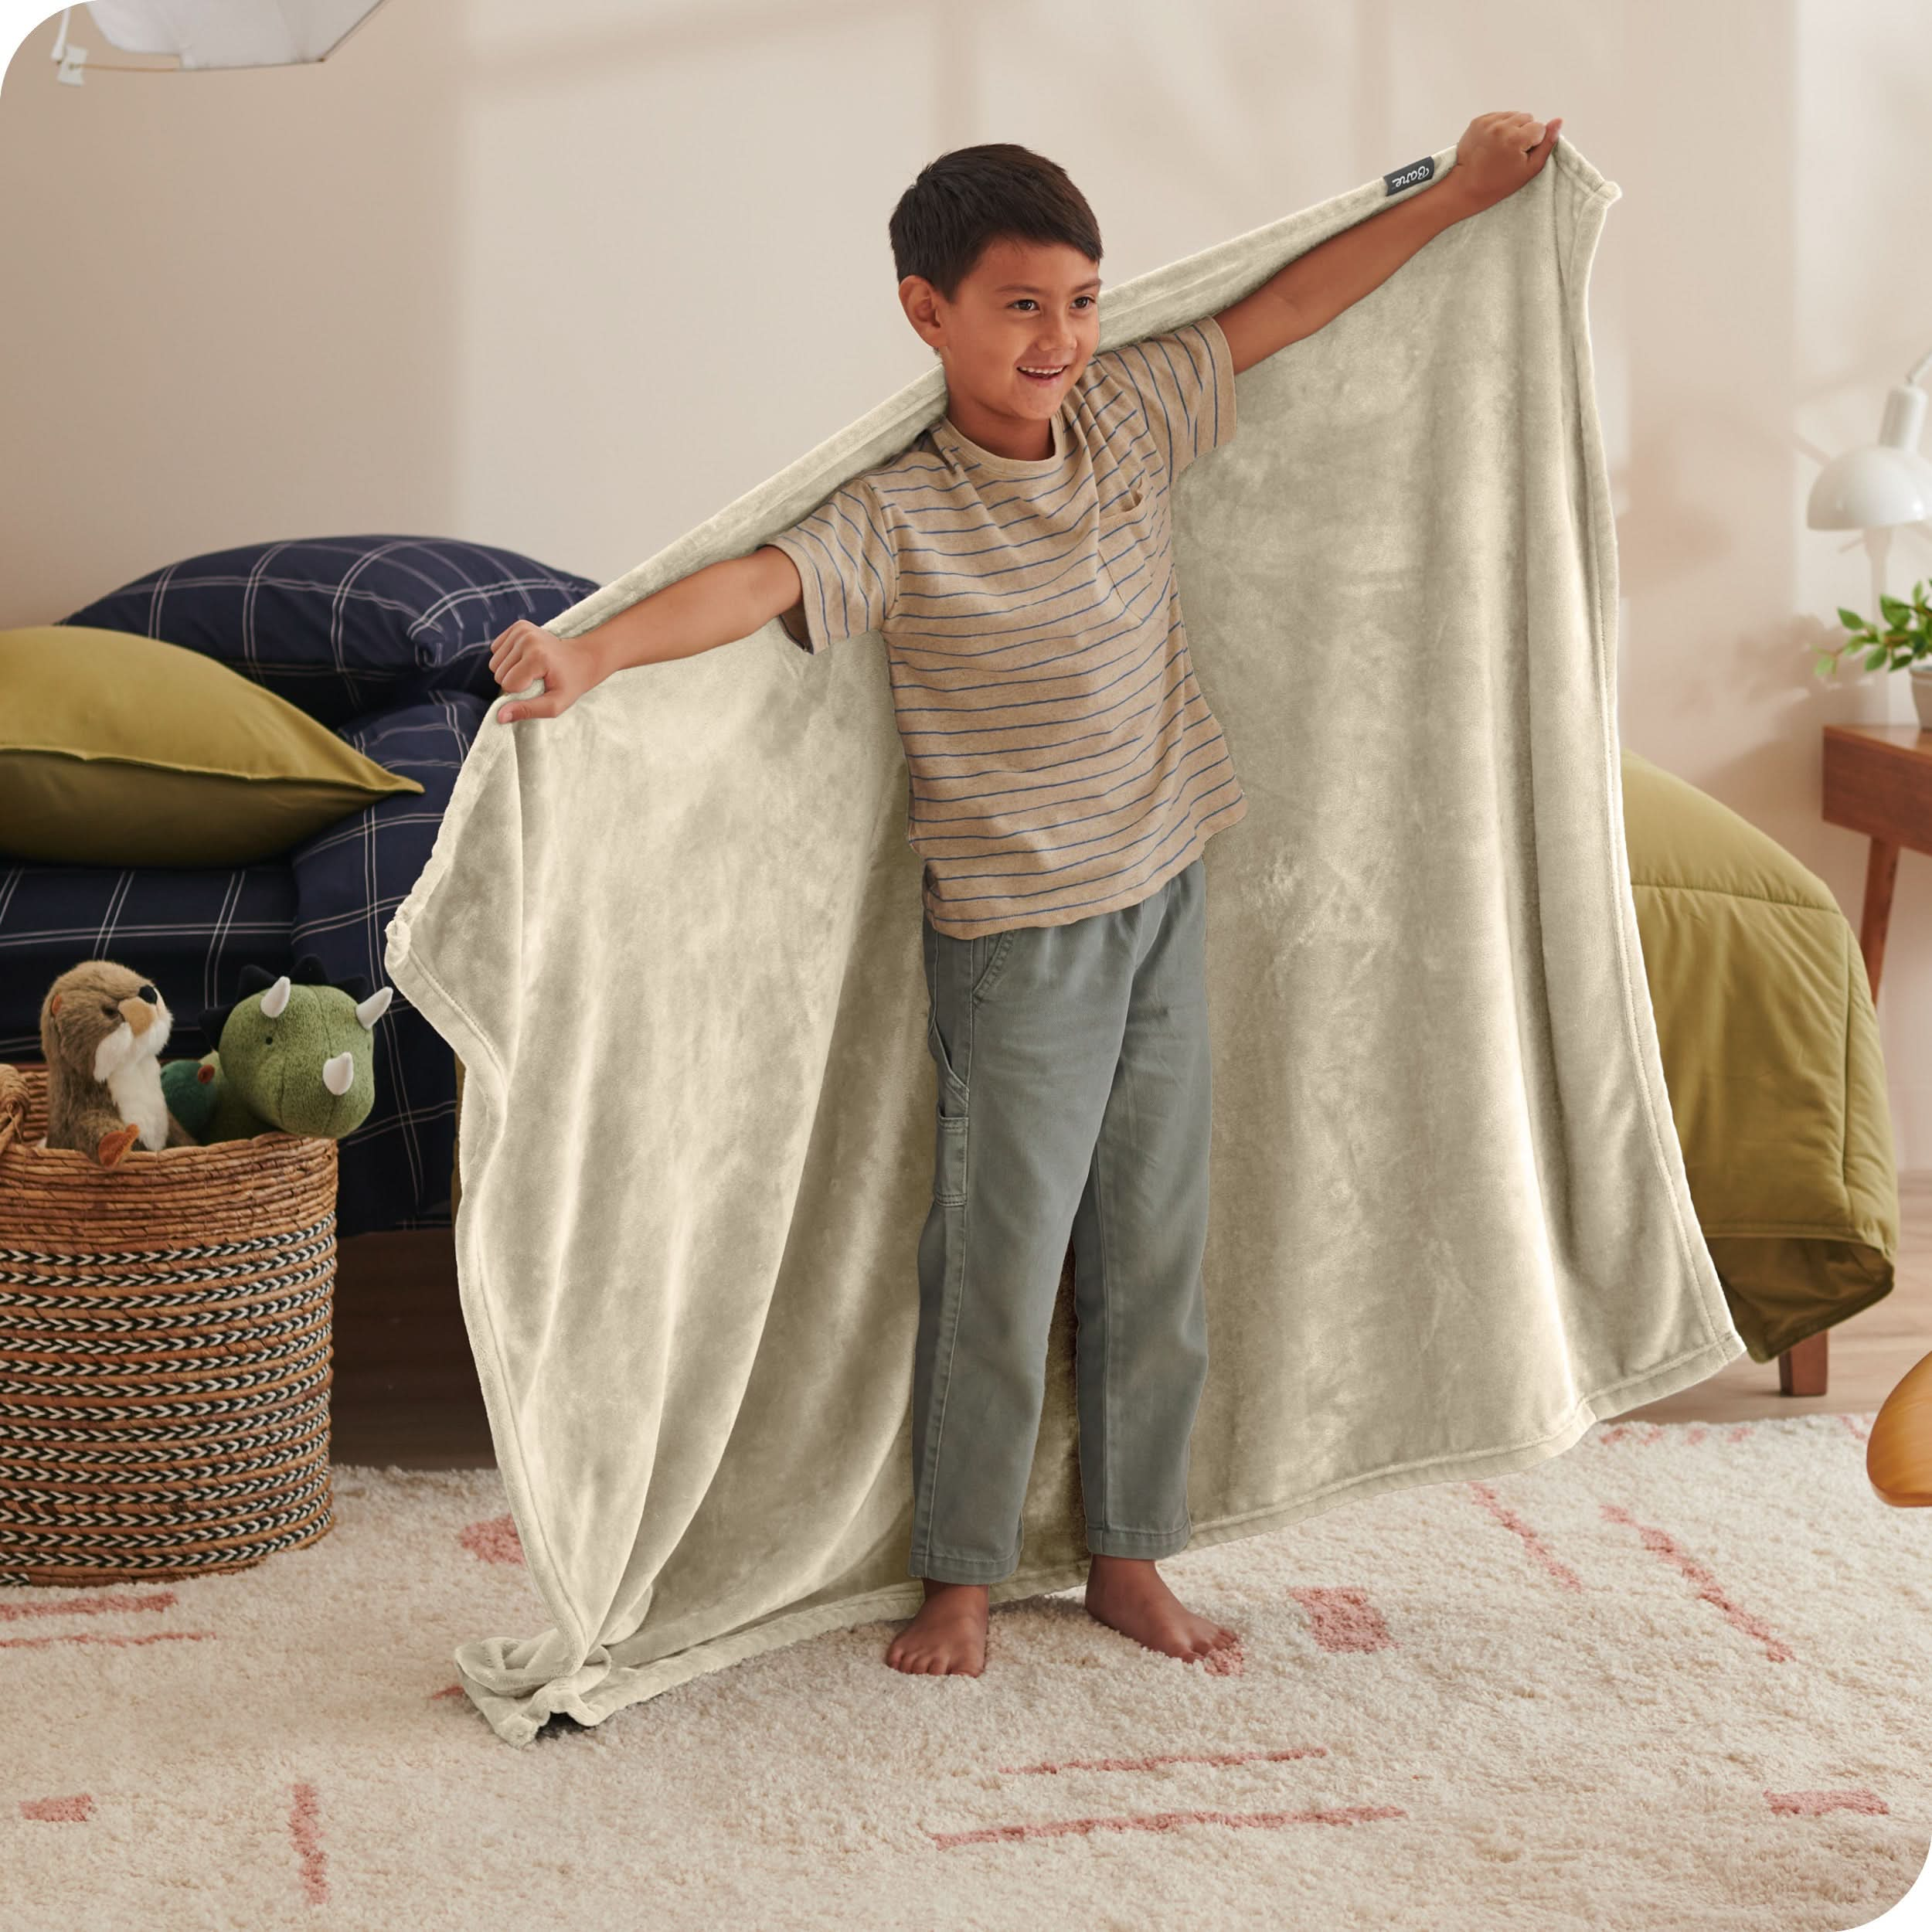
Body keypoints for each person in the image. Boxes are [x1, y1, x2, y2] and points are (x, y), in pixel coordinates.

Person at [486, 111, 1562, 1679]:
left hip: (1164, 887)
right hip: (1013, 938)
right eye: (1017, 306)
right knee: (1000, 1257)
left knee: (1154, 1245)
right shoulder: (900, 513)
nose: (1057, 338)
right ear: (926, 313)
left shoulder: (1126, 416)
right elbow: (753, 583)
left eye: (1079, 300)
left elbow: (1279, 308)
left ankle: (1128, 1553)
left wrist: (1461, 194)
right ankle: (962, 1576)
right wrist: (588, 654)